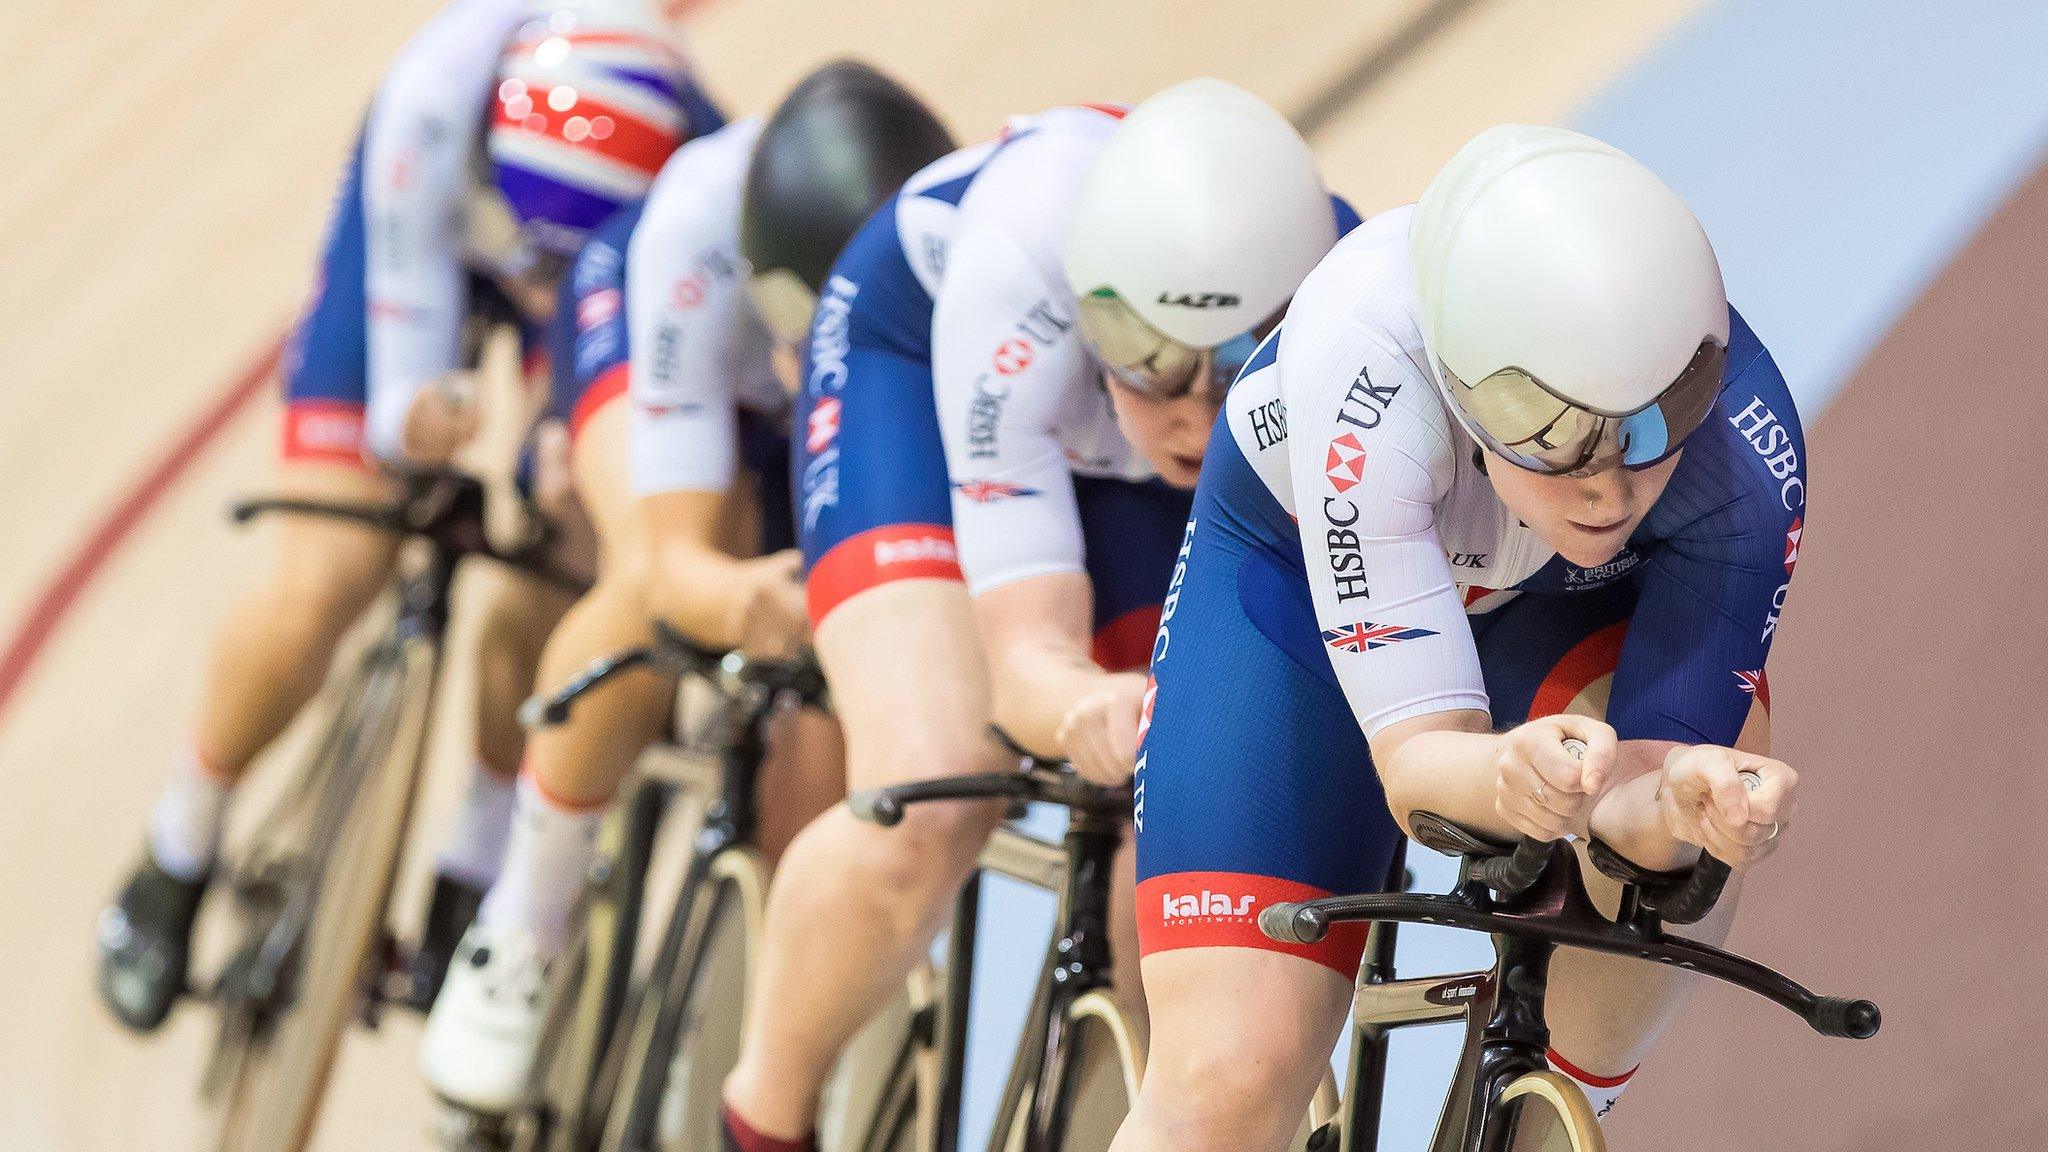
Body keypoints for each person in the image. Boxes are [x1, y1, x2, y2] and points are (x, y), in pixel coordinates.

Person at [1111, 124, 1807, 1152]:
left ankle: (1544, 1111)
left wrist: (1676, 803)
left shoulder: (1747, 458)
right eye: (1548, 430)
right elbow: (1420, 761)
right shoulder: (1365, 371)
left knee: (1705, 794)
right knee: (1226, 1076)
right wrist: (1503, 778)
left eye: (1655, 419)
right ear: (1457, 378)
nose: (1606, 481)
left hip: (1562, 604)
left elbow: (1643, 791)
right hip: (1291, 589)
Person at [719, 79, 1353, 1152]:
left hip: (1104, 439)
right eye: (1150, 363)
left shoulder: (1347, 293)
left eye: (1240, 363)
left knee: (1200, 823)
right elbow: (1026, 666)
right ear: (1092, 313)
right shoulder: (1012, 280)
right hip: (914, 374)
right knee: (925, 798)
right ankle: (761, 1120)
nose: (1195, 412)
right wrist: (1076, 705)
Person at [94, 0, 713, 1032]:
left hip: (587, 293)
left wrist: (561, 440)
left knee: (564, 549)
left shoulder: (686, 164)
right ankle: (178, 845)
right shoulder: (435, 100)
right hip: (426, 238)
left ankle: (472, 859)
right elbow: (400, 347)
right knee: (330, 572)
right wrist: (413, 416)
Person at [417, 60, 957, 1115]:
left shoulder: (948, 261)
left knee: (835, 704)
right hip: (669, 347)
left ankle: (747, 1004)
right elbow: (677, 565)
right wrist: (732, 595)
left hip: (842, 394)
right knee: (651, 587)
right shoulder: (691, 240)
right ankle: (521, 922)